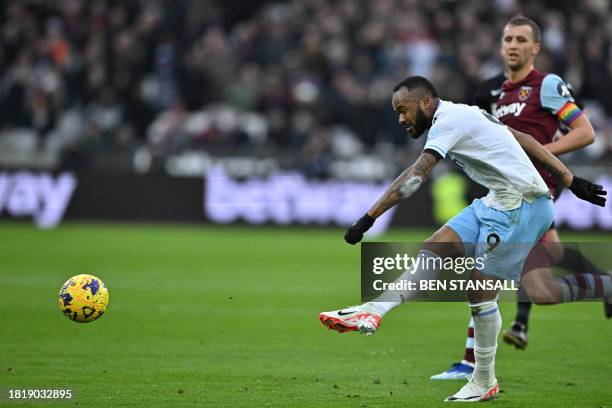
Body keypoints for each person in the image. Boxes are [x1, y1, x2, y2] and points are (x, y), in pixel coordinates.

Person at [318, 75, 608, 402]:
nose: (401, 119)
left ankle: (484, 380)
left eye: (404, 110)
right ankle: (373, 309)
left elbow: (415, 176)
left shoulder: (448, 123)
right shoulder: (464, 113)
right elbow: (523, 139)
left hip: (522, 204)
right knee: (438, 248)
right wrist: (569, 179)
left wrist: (367, 218)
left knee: (487, 289)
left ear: (426, 102)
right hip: (498, 199)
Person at [432, 15, 612, 381]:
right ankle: (604, 285)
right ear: (500, 46)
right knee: (546, 263)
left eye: (520, 39)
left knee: (495, 273)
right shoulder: (492, 92)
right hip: (507, 189)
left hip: (534, 190)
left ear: (535, 48)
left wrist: (542, 150)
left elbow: (585, 132)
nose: (512, 45)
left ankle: (472, 363)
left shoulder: (547, 85)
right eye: (507, 39)